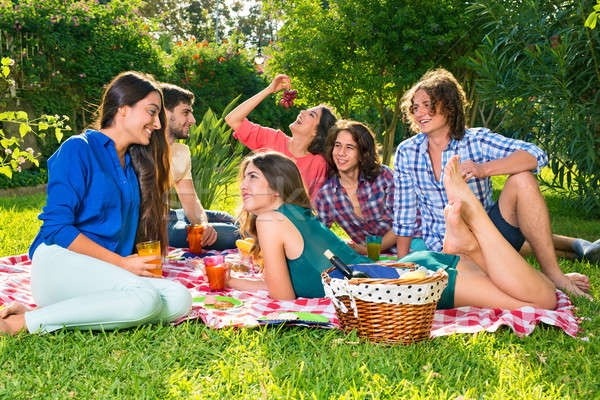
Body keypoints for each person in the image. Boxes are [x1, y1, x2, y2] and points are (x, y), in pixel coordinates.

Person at [224, 151, 558, 311]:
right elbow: (290, 283)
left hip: (405, 287)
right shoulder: (294, 214)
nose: (243, 185)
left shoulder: (270, 221)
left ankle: (472, 217)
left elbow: (283, 296)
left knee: (543, 301)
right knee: (538, 291)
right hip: (408, 273)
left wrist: (232, 281)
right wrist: (230, 280)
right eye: (244, 176)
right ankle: (465, 248)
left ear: (278, 185)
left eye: (252, 176)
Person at [0, 72, 191, 336]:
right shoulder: (78, 149)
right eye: (151, 112)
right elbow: (56, 228)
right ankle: (19, 324)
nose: (158, 124)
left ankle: (47, 314)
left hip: (103, 274)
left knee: (180, 299)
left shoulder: (134, 164)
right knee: (145, 300)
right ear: (123, 110)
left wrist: (124, 264)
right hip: (60, 265)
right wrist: (122, 264)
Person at [393, 68, 593, 299]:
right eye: (415, 107)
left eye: (427, 105)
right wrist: (401, 265)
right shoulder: (407, 152)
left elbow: (536, 155)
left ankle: (554, 274)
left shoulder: (476, 140)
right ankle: (530, 276)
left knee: (523, 178)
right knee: (492, 285)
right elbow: (404, 214)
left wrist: (483, 169)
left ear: (448, 106)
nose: (419, 113)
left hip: (492, 238)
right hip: (446, 248)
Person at [314, 120, 425, 255]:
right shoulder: (326, 195)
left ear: (362, 153)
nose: (341, 153)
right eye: (337, 145)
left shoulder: (384, 177)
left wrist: (368, 249)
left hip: (412, 242)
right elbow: (318, 236)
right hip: (372, 257)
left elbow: (405, 221)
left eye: (349, 147)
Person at [224, 74, 337, 200]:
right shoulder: (273, 138)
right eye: (306, 110)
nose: (302, 112)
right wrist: (269, 89)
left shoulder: (318, 163)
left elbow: (315, 207)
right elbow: (232, 119)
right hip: (255, 216)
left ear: (317, 132)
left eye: (311, 115)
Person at [160, 83, 239, 250]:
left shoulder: (182, 152)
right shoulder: (140, 149)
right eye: (186, 112)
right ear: (165, 113)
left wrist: (202, 224)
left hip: (172, 214)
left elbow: (190, 200)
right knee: (234, 233)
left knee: (227, 219)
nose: (193, 121)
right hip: (157, 226)